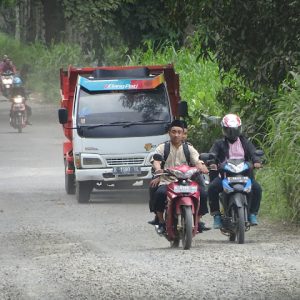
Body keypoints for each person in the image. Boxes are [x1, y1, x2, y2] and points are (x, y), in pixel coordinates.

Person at [150, 119, 209, 234]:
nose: (176, 135)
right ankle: (161, 221)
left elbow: (197, 160)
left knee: (203, 193)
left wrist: (202, 166)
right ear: (169, 133)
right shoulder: (162, 147)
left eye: (179, 132)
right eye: (174, 131)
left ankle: (198, 220)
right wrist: (158, 169)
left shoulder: (189, 148)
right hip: (167, 181)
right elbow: (156, 160)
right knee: (160, 193)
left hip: (187, 181)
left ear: (183, 134)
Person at [207, 113, 262, 229]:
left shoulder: (245, 142)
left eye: (235, 130)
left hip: (245, 174)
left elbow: (253, 153)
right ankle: (216, 215)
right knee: (212, 188)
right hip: (225, 175)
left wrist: (256, 161)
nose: (232, 133)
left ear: (239, 129)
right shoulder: (219, 143)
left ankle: (252, 214)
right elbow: (213, 154)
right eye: (229, 130)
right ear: (224, 130)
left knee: (257, 189)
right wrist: (212, 163)